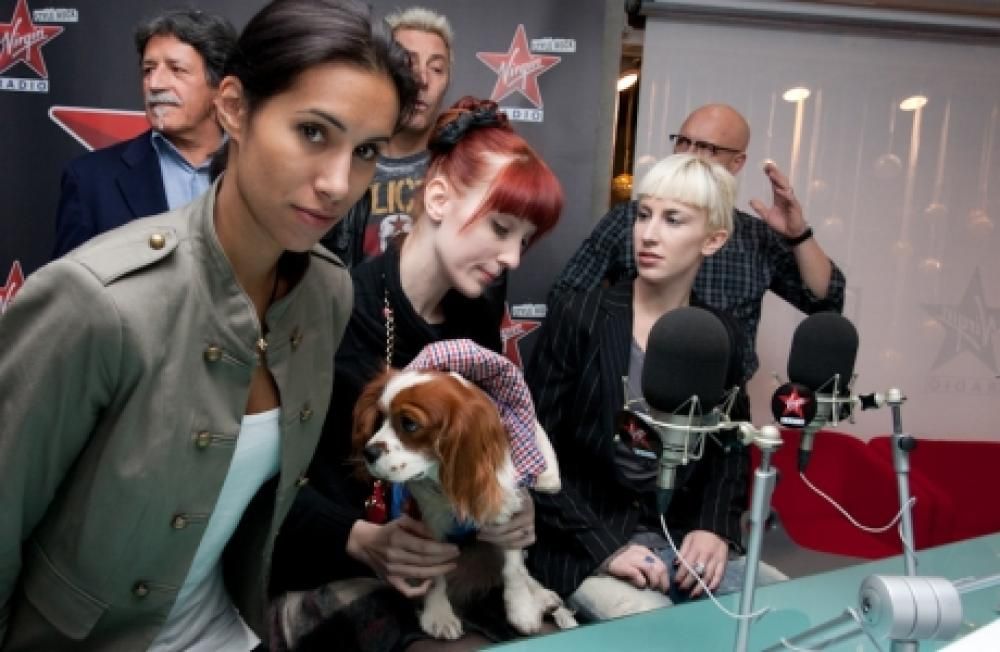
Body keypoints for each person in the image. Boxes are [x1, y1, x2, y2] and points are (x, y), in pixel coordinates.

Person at [0, 1, 416, 649]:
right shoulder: (99, 302)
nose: (339, 183)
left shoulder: (328, 293)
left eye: (365, 151)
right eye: (312, 132)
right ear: (235, 109)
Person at [270, 97, 564, 652]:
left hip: (446, 573)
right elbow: (259, 484)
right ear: (438, 198)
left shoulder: (475, 321)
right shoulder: (333, 310)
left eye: (524, 241)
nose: (512, 258)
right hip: (325, 575)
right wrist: (359, 538)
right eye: (501, 228)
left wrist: (510, 505)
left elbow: (479, 461)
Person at [526, 154, 786, 622]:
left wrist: (713, 529)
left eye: (673, 220)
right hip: (584, 542)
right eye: (643, 215)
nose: (648, 234)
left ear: (713, 239)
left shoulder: (718, 335)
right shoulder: (581, 315)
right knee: (655, 625)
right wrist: (605, 547)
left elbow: (728, 450)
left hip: (679, 539)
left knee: (782, 604)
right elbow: (531, 447)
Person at [550, 103, 847, 382]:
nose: (688, 155)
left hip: (718, 396)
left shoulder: (756, 236)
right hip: (628, 387)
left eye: (706, 147)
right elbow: (569, 297)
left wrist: (798, 234)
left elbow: (825, 302)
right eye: (683, 142)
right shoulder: (629, 220)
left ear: (737, 162)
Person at [52, 9, 237, 259]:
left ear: (221, 86)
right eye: (148, 70)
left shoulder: (260, 171)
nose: (155, 84)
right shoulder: (90, 181)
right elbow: (70, 282)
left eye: (176, 69)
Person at [324, 6, 453, 267]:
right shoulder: (340, 165)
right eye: (408, 63)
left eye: (436, 68)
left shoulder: (460, 170)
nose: (422, 79)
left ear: (448, 82)